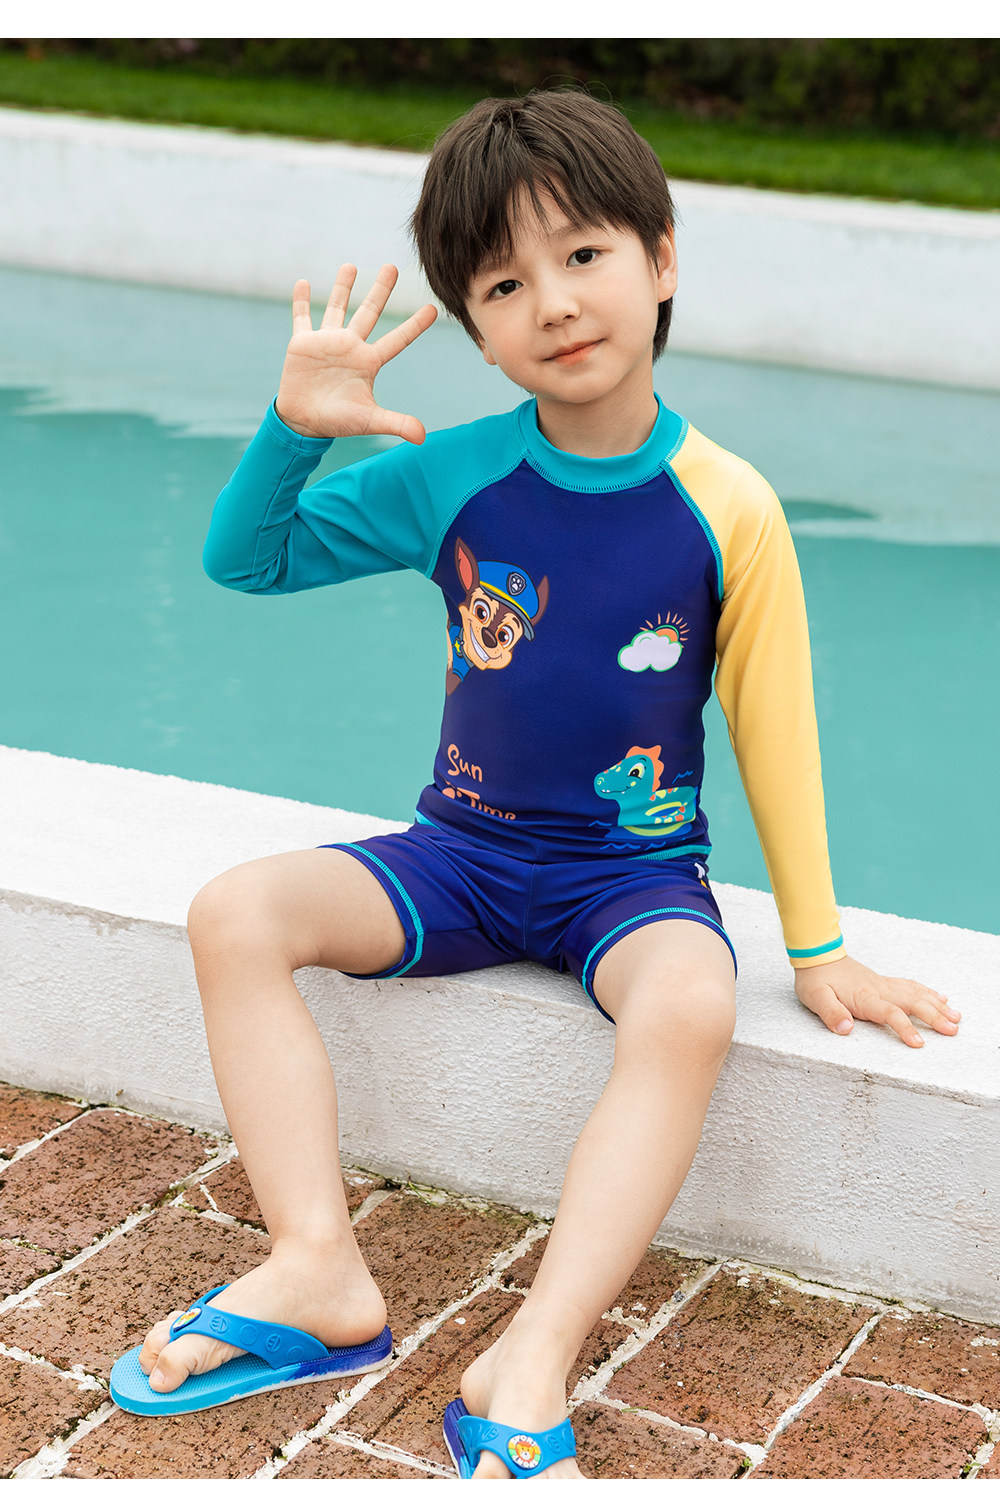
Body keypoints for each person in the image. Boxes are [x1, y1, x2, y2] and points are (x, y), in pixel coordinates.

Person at [108, 90, 961, 1478]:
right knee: (235, 912)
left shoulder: (729, 503)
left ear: (661, 259)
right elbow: (245, 560)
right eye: (505, 284)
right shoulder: (453, 476)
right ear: (474, 323)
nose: (554, 303)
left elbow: (774, 725)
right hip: (459, 856)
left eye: (584, 255)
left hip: (631, 879)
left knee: (689, 1003)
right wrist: (292, 426)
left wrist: (817, 947)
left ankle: (530, 1357)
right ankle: (318, 1266)